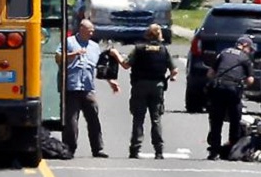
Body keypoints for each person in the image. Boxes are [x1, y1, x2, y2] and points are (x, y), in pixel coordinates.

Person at [110, 24, 178, 159]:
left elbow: (125, 65)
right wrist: (168, 78)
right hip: (157, 86)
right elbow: (174, 70)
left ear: (147, 35)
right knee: (156, 118)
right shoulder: (164, 50)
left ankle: (135, 149)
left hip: (140, 85)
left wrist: (115, 54)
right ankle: (159, 150)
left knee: (138, 118)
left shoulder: (139, 49)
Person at [55, 19, 118, 158]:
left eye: (92, 30)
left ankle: (98, 149)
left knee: (94, 119)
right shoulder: (69, 42)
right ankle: (69, 149)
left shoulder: (94, 46)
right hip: (71, 88)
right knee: (71, 121)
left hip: (88, 88)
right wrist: (74, 54)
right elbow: (58, 58)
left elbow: (99, 67)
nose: (92, 32)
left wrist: (111, 81)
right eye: (90, 30)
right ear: (82, 29)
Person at [205, 36, 254, 160]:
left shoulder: (223, 53)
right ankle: (233, 148)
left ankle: (214, 151)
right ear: (244, 46)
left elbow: (210, 73)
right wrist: (243, 84)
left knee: (216, 120)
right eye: (249, 48)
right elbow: (250, 80)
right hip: (233, 89)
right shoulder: (245, 58)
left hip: (218, 87)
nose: (250, 51)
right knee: (235, 119)